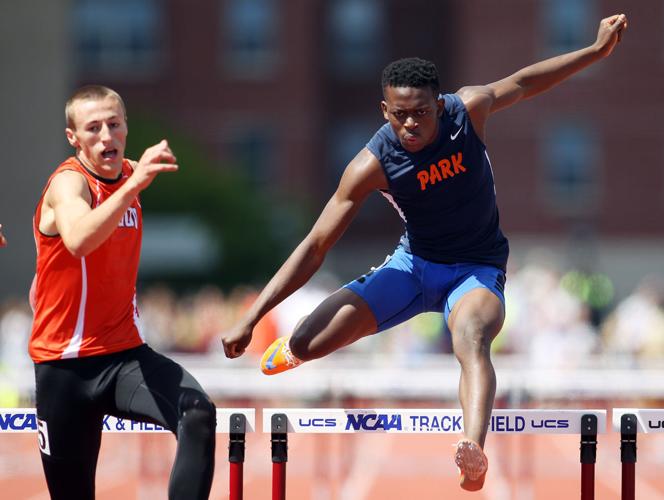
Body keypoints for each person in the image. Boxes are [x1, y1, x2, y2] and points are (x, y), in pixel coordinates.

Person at [222, 14, 628, 491]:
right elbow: (314, 245)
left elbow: (526, 80)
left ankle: (473, 449)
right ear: (384, 110)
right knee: (309, 343)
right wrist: (253, 315)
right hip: (413, 266)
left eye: (421, 112)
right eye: (399, 114)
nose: (411, 124)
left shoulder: (468, 111)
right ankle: (293, 347)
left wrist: (595, 52)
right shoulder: (371, 166)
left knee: (472, 335)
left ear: (439, 104)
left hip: (476, 269)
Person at [30, 85, 216, 500]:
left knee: (199, 414)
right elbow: (78, 239)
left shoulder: (131, 172)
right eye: (92, 128)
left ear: (126, 127)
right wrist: (132, 188)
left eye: (114, 125)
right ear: (73, 138)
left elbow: (134, 175)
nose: (105, 136)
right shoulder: (68, 186)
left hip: (123, 359)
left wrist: (138, 177)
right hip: (64, 369)